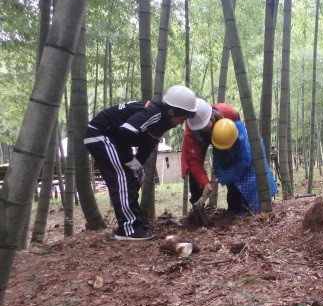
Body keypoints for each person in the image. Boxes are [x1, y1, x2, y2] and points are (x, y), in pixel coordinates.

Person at [84, 85, 197, 240]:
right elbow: (125, 132)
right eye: (181, 118)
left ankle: (135, 223)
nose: (180, 123)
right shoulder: (154, 112)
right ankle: (128, 229)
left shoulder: (163, 122)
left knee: (130, 178)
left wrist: (138, 166)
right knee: (122, 177)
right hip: (100, 134)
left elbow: (148, 145)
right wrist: (129, 160)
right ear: (171, 111)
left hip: (115, 140)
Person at [181, 98, 240, 205]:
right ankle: (197, 205)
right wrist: (204, 183)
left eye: (204, 126)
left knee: (232, 165)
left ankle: (235, 206)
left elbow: (238, 138)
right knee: (194, 174)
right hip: (199, 141)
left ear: (212, 116)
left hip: (224, 136)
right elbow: (194, 161)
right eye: (200, 128)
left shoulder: (229, 113)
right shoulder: (191, 130)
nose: (203, 129)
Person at [211, 118, 277, 214]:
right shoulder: (219, 141)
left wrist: (225, 176)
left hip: (251, 167)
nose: (226, 149)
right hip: (233, 166)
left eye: (228, 146)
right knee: (233, 190)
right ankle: (234, 211)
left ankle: (253, 211)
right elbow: (218, 160)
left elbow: (241, 165)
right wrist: (220, 173)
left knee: (250, 187)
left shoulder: (246, 142)